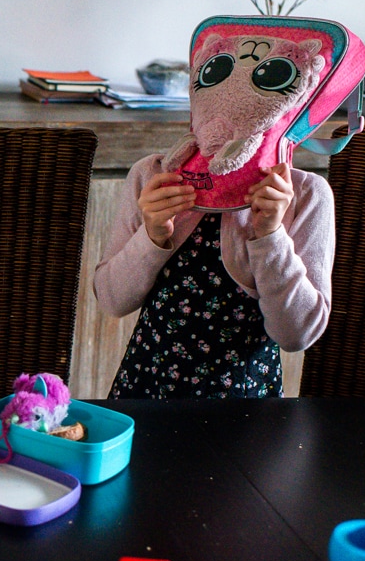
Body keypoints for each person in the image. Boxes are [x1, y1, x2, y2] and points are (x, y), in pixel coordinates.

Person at [93, 156, 334, 398]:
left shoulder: (305, 193)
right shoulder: (153, 176)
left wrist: (270, 235)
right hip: (144, 390)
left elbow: (296, 335)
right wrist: (151, 235)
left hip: (244, 404)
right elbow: (111, 300)